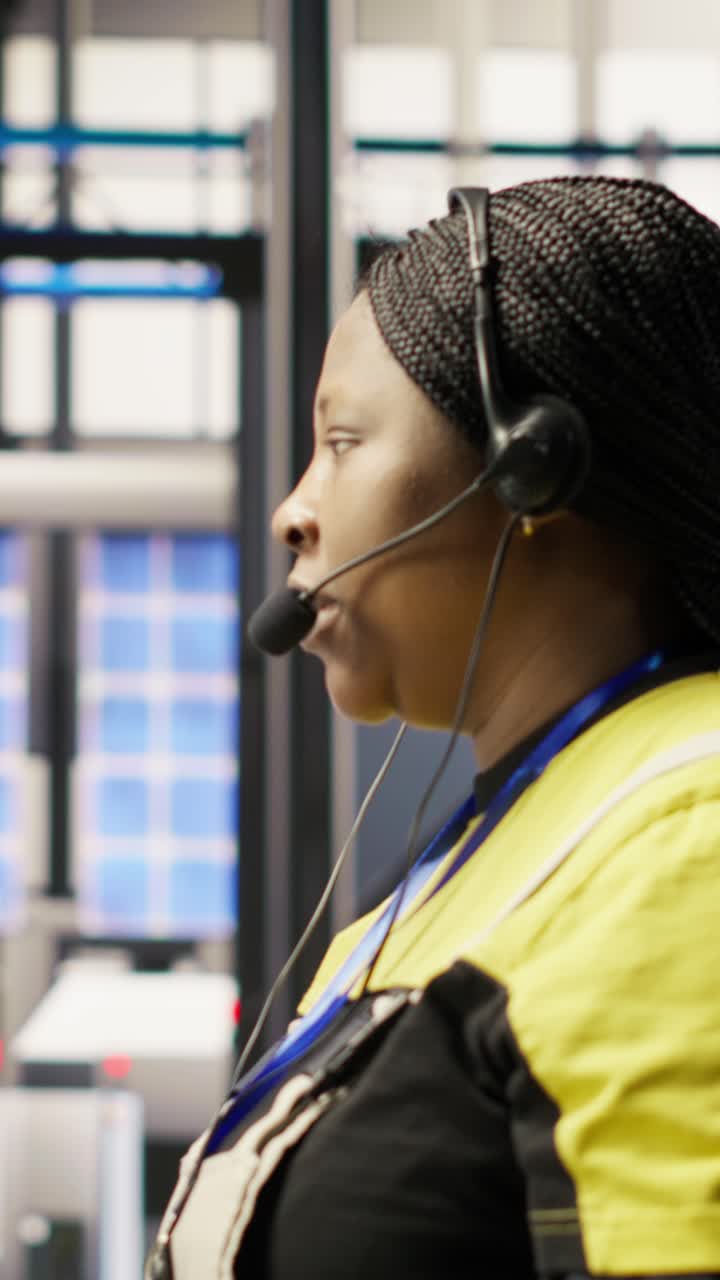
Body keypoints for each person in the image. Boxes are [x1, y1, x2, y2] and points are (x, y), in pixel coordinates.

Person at [148, 176, 720, 1279]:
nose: (293, 508)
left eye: (344, 440)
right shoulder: (509, 838)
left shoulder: (687, 832)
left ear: (529, 466)